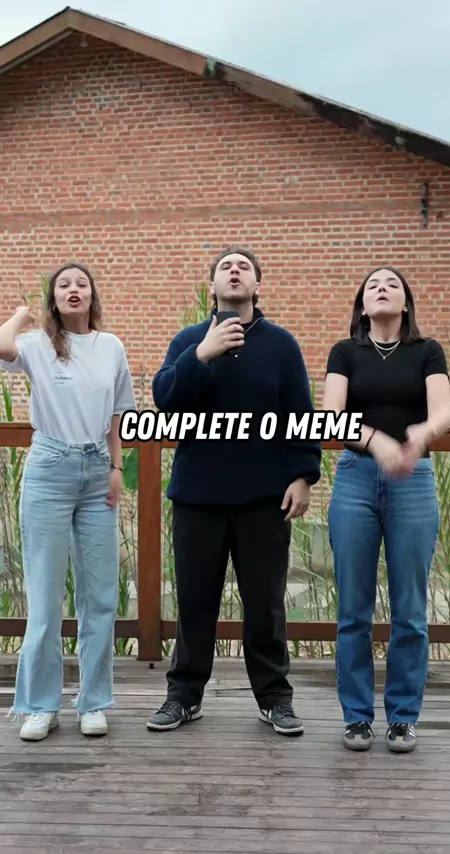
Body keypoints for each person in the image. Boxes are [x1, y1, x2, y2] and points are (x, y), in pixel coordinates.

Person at [148, 245, 321, 736]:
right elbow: (165, 399)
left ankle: (275, 699)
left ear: (257, 286)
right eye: (226, 267)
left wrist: (303, 475)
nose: (235, 271)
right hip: (197, 497)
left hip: (264, 499)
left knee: (266, 605)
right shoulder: (189, 340)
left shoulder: (281, 345)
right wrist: (203, 353)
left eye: (244, 267)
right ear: (213, 287)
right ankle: (184, 696)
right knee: (194, 603)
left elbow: (300, 414)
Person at [0, 263, 136, 741]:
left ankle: (93, 702)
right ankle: (41, 705)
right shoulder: (37, 345)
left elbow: (118, 414)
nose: (73, 290)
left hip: (98, 471)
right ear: (54, 299)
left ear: (92, 295)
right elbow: (1, 346)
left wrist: (116, 468)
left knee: (99, 597)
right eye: (63, 285)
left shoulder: (110, 346)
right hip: (49, 471)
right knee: (44, 597)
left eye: (81, 284)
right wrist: (21, 316)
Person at [323, 265, 450, 754]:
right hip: (355, 478)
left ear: (405, 302)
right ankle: (357, 717)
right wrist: (376, 440)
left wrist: (421, 434)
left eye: (392, 284)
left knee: (410, 610)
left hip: (413, 480)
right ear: (362, 304)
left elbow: (443, 412)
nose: (382, 288)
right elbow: (330, 417)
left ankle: (402, 718)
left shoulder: (427, 350)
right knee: (352, 610)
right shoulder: (345, 352)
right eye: (373, 284)